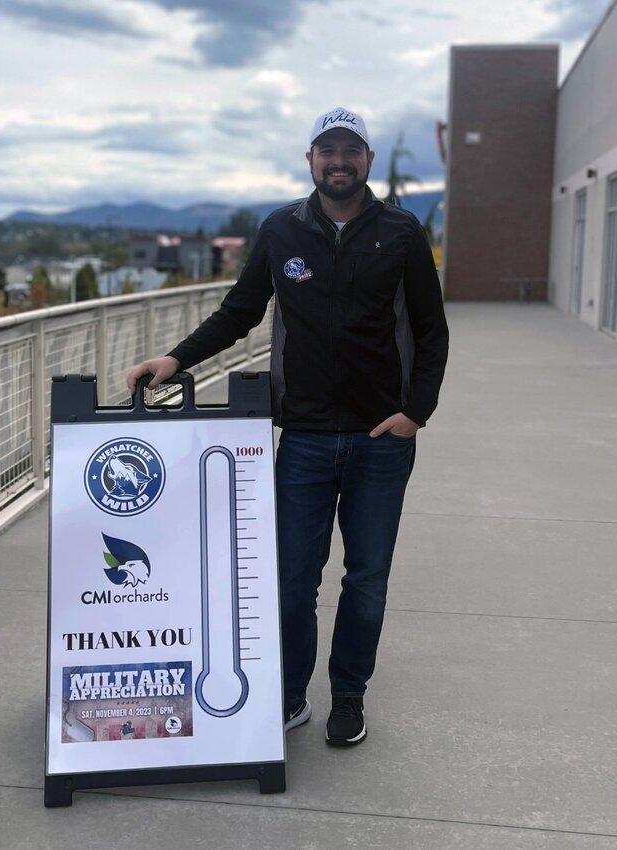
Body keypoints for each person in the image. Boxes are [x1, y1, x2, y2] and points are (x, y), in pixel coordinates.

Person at [127, 106, 448, 746]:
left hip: (379, 440)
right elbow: (239, 312)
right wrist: (175, 359)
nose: (338, 161)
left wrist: (416, 412)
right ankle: (291, 694)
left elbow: (433, 330)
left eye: (349, 151)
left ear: (367, 162)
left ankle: (349, 697)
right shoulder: (281, 231)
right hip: (300, 437)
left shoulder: (402, 233)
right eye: (326, 150)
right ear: (310, 160)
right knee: (293, 579)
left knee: (367, 578)